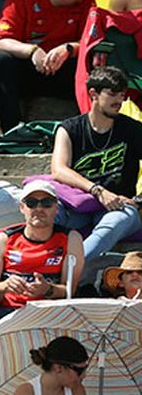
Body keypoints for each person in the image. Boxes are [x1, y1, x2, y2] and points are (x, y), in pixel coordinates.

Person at [0, 0, 98, 134]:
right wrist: (31, 51)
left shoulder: (85, 1)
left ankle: (92, 130)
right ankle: (13, 131)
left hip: (67, 68)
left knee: (96, 64)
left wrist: (69, 48)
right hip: (28, 69)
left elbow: (93, 39)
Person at [51, 65, 142, 268]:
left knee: (119, 219)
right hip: (78, 206)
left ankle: (68, 269)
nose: (119, 100)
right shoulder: (69, 128)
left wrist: (138, 200)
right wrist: (97, 191)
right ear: (93, 93)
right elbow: (58, 169)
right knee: (46, 209)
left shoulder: (133, 129)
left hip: (118, 208)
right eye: (112, 94)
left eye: (122, 94)